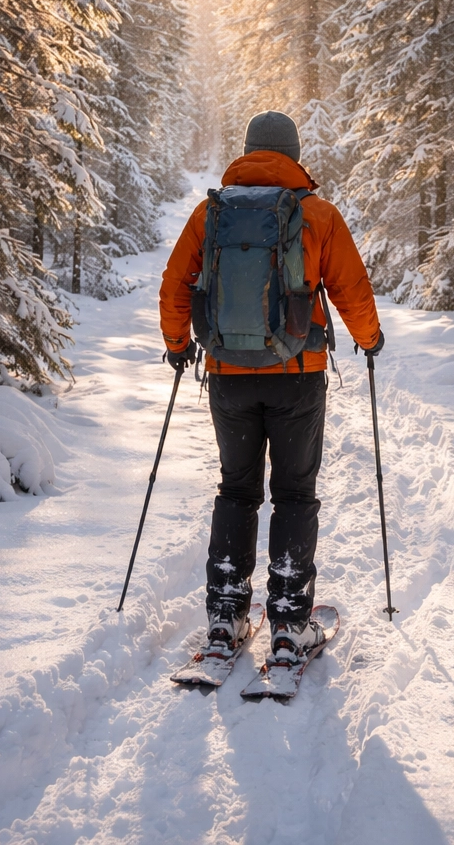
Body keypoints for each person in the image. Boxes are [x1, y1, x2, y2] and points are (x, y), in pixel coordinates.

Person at [159, 110, 383, 665]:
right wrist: (370, 340)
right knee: (294, 493)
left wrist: (178, 344)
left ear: (248, 151)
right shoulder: (317, 214)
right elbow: (351, 287)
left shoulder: (209, 214)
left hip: (229, 378)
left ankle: (227, 617)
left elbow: (175, 283)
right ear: (294, 153)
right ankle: (289, 625)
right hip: (297, 379)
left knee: (236, 489)